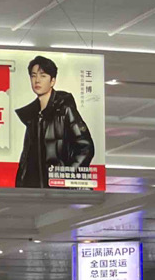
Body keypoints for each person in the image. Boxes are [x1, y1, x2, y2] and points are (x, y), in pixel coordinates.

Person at [15, 54, 95, 189]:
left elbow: (86, 147)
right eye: (33, 76)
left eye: (43, 76)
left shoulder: (65, 110)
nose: (37, 80)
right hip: (36, 192)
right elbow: (26, 159)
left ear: (52, 81)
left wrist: (67, 176)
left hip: (60, 191)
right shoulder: (33, 117)